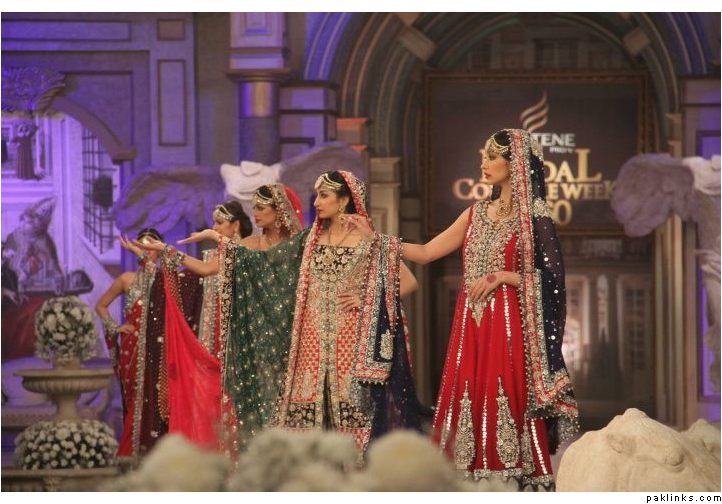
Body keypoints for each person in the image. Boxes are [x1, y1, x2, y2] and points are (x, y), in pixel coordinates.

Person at [349, 129, 579, 489]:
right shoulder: (474, 213)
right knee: (470, 388)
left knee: (505, 392)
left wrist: (505, 276)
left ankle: (512, 477)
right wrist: (375, 239)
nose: (483, 163)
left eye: (492, 157)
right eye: (483, 156)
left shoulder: (534, 219)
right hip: (471, 325)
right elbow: (426, 252)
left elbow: (552, 281)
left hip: (510, 326)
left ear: (515, 163)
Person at [172, 171, 422, 452]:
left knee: (355, 423)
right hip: (311, 346)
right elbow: (260, 261)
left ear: (343, 200)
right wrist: (215, 240)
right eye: (317, 196)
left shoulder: (367, 240)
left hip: (351, 343)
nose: (316, 203)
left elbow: (409, 281)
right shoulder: (309, 240)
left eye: (324, 196)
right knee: (311, 426)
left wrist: (365, 299)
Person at [95, 229, 169, 459]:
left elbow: (153, 273)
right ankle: (131, 452)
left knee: (158, 398)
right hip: (132, 347)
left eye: (150, 247)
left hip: (159, 347)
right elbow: (101, 305)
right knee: (135, 398)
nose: (146, 251)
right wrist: (115, 327)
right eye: (142, 246)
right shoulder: (126, 279)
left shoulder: (164, 278)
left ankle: (157, 455)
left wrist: (139, 252)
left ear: (159, 250)